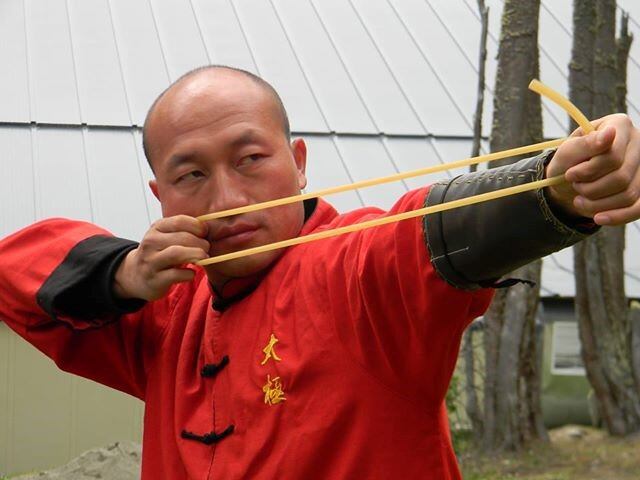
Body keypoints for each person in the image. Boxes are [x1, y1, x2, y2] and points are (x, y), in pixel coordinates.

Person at [0, 65, 639, 479]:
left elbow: (425, 231)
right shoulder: (164, 311)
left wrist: (556, 187)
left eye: (250, 158)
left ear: (298, 162)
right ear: (159, 193)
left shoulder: (351, 270)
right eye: (190, 174)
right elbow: (13, 270)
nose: (225, 201)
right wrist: (120, 276)